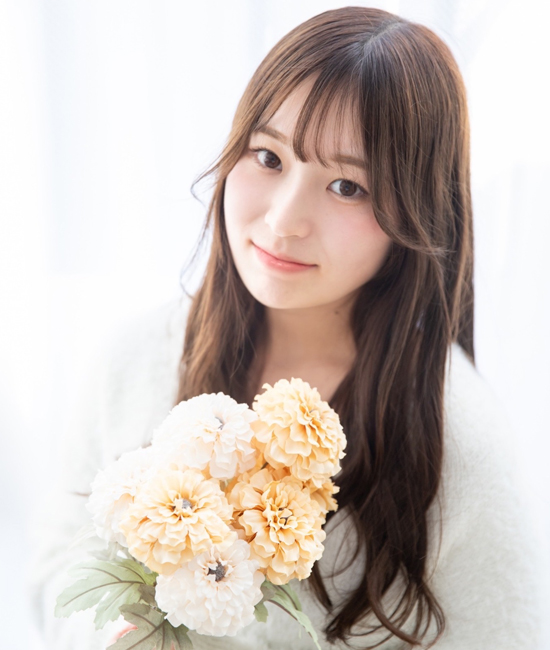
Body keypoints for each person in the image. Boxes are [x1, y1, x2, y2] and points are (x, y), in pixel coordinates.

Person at [31, 6, 542, 649]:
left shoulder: (456, 442)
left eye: (348, 187)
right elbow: (58, 566)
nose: (282, 220)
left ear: (417, 211)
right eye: (268, 156)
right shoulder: (134, 358)